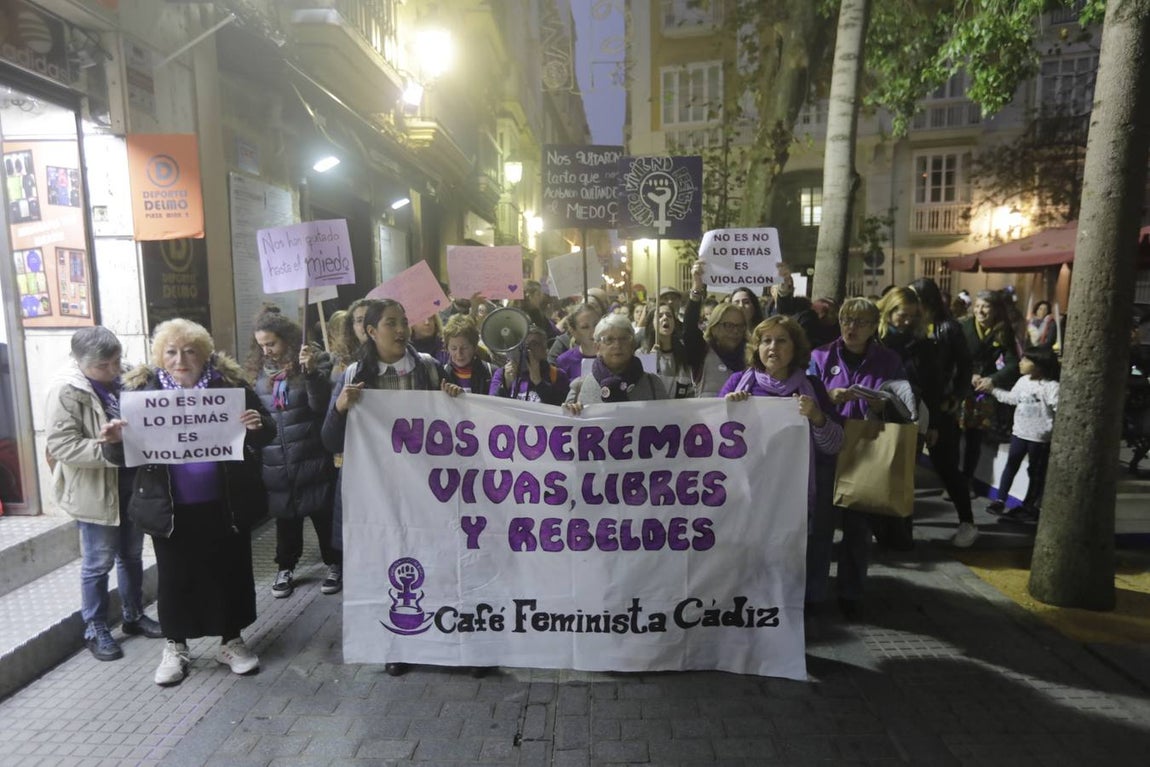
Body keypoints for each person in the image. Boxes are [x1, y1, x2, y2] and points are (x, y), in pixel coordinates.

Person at [100, 319, 275, 686]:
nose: (181, 359)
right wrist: (114, 441)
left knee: (230, 571)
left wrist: (259, 425)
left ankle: (231, 641)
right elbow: (122, 459)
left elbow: (266, 432)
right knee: (176, 578)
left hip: (225, 503)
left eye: (190, 351)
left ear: (205, 354)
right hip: (170, 509)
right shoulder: (140, 394)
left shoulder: (229, 387)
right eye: (171, 352)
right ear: (159, 357)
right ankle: (176, 646)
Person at [321, 299, 461, 677]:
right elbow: (330, 441)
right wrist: (341, 408)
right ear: (370, 331)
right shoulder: (353, 374)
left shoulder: (429, 369)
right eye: (391, 323)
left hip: (424, 490)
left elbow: (451, 428)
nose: (401, 330)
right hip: (378, 494)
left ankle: (442, 635)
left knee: (433, 558)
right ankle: (397, 643)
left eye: (404, 322)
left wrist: (452, 397)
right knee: (389, 564)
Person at [45, 327, 163, 662]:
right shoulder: (66, 390)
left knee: (132, 555)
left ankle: (133, 615)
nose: (113, 370)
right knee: (98, 563)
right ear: (81, 362)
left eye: (116, 361)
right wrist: (111, 451)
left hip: (131, 483)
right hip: (94, 490)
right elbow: (62, 445)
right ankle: (95, 627)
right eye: (104, 366)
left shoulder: (124, 377)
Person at [720, 316, 843, 605]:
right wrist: (727, 411)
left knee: (789, 567)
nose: (772, 347)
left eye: (781, 340)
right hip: (750, 498)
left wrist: (818, 418)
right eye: (766, 340)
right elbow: (713, 442)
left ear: (795, 347)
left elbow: (835, 444)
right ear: (757, 347)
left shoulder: (811, 387)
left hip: (794, 500)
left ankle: (791, 622)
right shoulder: (739, 383)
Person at [809, 298, 907, 618]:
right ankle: (814, 592)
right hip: (826, 450)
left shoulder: (889, 361)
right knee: (820, 527)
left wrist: (883, 406)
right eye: (846, 320)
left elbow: (905, 404)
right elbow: (805, 399)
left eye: (860, 322)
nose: (851, 327)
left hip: (866, 451)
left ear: (874, 326)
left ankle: (851, 591)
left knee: (856, 528)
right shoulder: (820, 356)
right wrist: (827, 399)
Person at [247, 308, 341, 599]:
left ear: (287, 339)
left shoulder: (312, 362)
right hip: (277, 462)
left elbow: (320, 406)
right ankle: (285, 567)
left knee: (322, 516)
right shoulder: (258, 376)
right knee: (286, 521)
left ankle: (335, 563)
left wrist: (311, 373)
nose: (267, 351)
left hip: (311, 455)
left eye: (271, 344)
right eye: (261, 345)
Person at [909, 278, 977, 547]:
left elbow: (964, 366)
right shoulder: (913, 326)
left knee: (946, 466)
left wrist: (956, 398)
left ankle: (967, 523)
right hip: (916, 405)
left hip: (940, 406)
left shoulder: (947, 328)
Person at [981, 347, 1060, 523]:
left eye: (1025, 360)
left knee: (1035, 472)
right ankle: (1000, 500)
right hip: (1020, 433)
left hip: (1040, 438)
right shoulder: (1023, 381)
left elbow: (1059, 410)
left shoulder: (1052, 387)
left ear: (1038, 366)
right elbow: (1012, 399)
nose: (1020, 363)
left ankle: (1029, 506)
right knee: (1011, 466)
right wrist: (992, 390)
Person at [960, 290, 1020, 488]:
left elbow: (1013, 364)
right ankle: (951, 480)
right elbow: (949, 358)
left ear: (995, 309)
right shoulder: (962, 326)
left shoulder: (1003, 330)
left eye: (985, 306)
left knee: (974, 438)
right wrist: (967, 374)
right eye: (977, 306)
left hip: (983, 391)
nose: (980, 311)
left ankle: (966, 481)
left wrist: (993, 379)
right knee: (951, 437)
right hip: (958, 387)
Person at [564, 314, 668, 412]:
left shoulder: (654, 385)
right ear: (597, 347)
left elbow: (668, 419)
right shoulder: (579, 387)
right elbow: (567, 426)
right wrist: (572, 412)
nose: (617, 345)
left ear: (633, 345)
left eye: (624, 339)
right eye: (609, 340)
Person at [684, 261, 748, 397]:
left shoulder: (752, 357)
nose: (735, 331)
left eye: (740, 326)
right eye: (729, 325)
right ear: (714, 327)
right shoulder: (701, 352)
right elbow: (689, 329)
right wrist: (696, 288)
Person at [489, 326, 570, 404]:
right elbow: (493, 407)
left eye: (534, 344)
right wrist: (505, 385)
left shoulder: (556, 375)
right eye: (523, 344)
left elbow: (560, 407)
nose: (528, 348)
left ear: (545, 350)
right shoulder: (502, 374)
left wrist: (539, 382)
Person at [641, 301, 695, 398]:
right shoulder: (644, 352)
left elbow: (691, 387)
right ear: (651, 324)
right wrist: (651, 361)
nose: (665, 318)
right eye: (660, 316)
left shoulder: (684, 351)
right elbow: (644, 386)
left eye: (669, 316)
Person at [441, 314, 493, 394]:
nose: (459, 353)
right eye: (454, 348)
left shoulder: (491, 372)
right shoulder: (441, 374)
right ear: (447, 348)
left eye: (464, 348)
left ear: (475, 347)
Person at [554, 303, 602, 383]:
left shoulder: (612, 356)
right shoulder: (564, 361)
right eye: (585, 327)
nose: (593, 331)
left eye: (596, 324)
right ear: (574, 332)